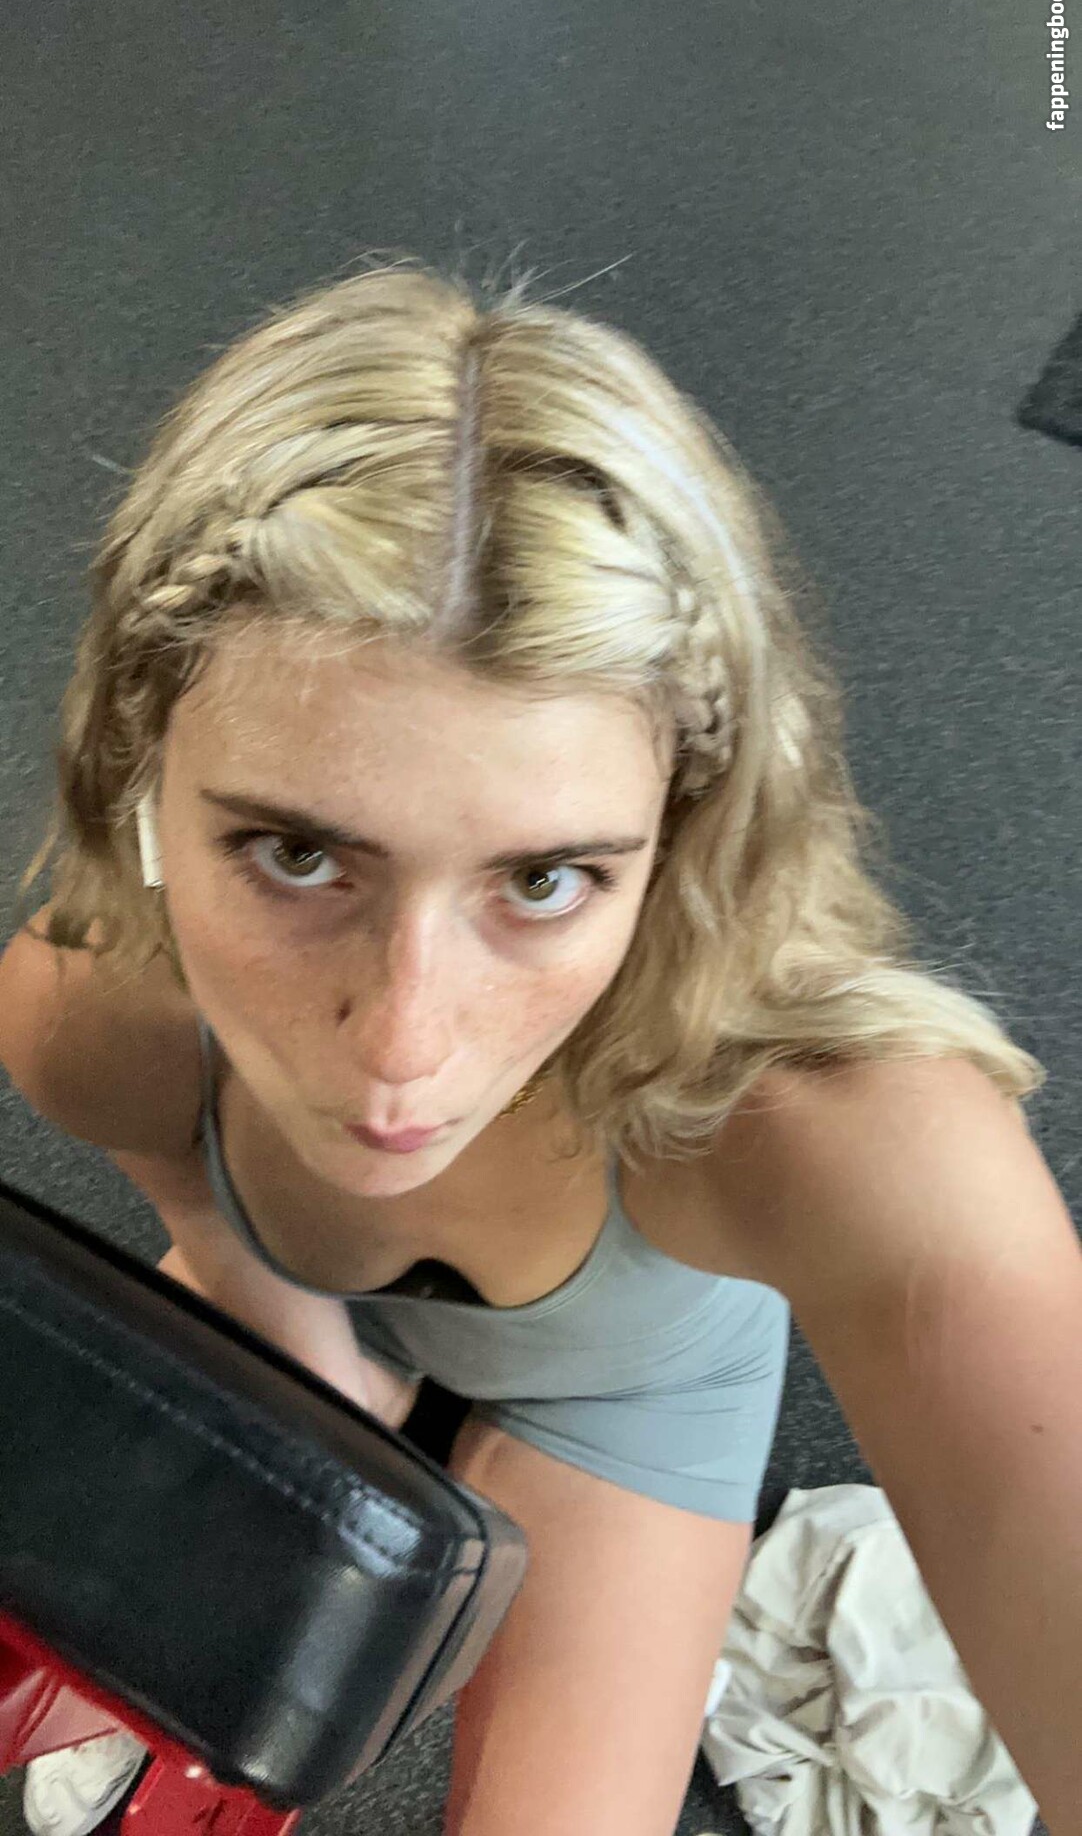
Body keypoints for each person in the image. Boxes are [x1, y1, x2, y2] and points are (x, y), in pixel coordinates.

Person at [1, 258, 1072, 1836]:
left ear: (681, 831)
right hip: (301, 1305)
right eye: (297, 856)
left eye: (546, 879)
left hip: (623, 1393)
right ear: (141, 773)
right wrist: (315, 1398)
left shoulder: (833, 1139)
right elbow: (191, 1192)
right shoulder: (87, 1017)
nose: (402, 1051)